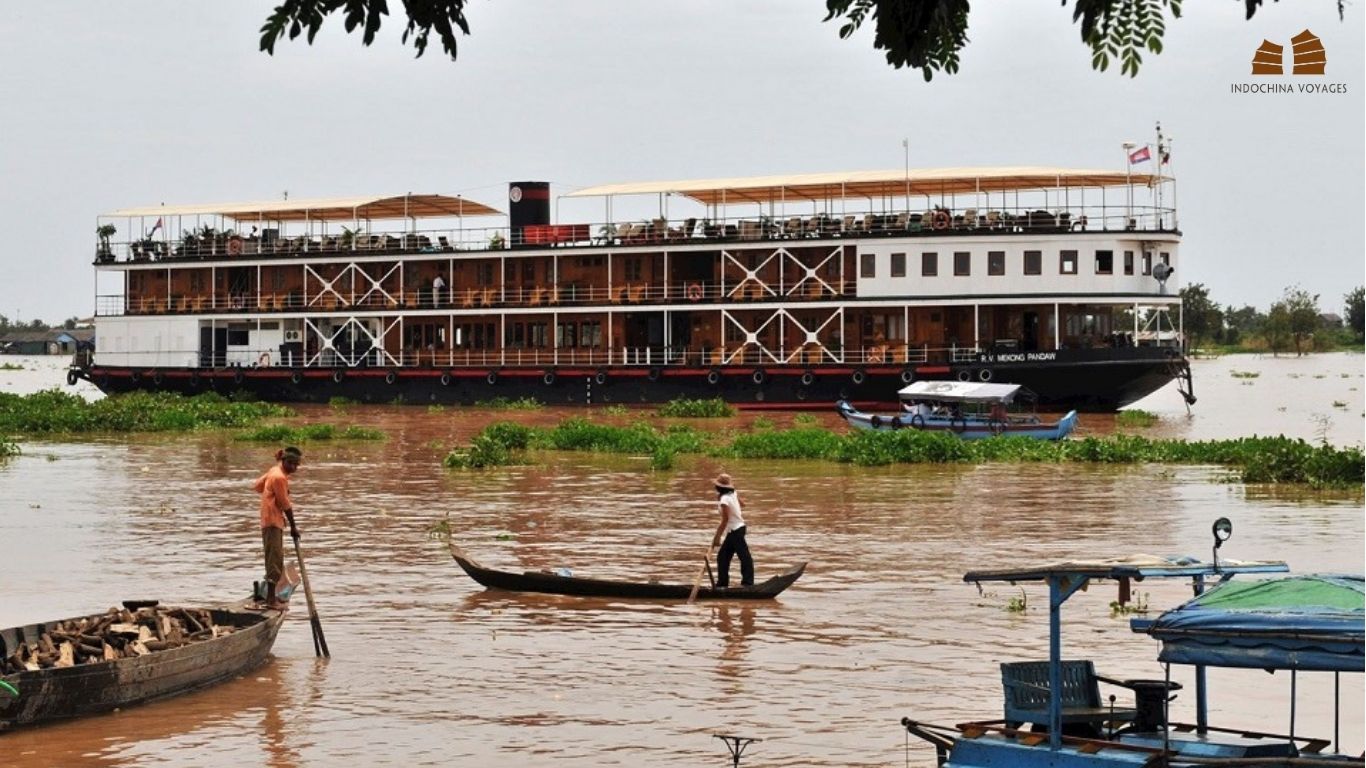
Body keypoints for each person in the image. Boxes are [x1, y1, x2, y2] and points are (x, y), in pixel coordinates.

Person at [254, 446, 301, 608]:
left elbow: (258, 486)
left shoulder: (274, 471)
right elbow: (285, 504)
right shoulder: (279, 477)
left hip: (270, 520)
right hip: (272, 522)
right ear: (284, 461)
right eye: (291, 464)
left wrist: (275, 492)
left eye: (297, 465)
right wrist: (294, 527)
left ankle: (271, 596)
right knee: (275, 560)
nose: (294, 468)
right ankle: (271, 601)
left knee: (274, 557)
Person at [710, 473, 753, 588]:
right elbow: (743, 504)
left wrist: (717, 537)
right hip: (736, 529)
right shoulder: (732, 493)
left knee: (744, 556)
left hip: (735, 530)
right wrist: (733, 503)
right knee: (723, 557)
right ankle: (722, 584)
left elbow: (725, 520)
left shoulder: (724, 500)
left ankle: (748, 584)